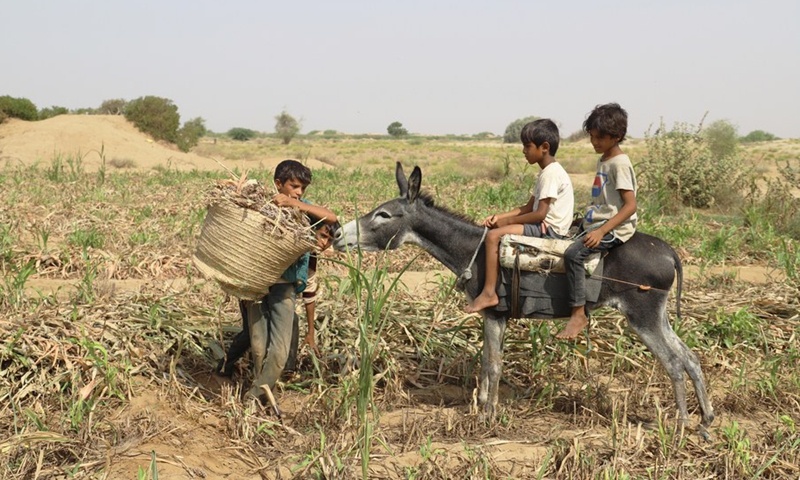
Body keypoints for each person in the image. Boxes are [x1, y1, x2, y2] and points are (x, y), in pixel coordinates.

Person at [215, 160, 338, 403]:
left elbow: (331, 217)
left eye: (303, 188)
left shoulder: (304, 210)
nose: (299, 192)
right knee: (258, 344)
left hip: (284, 286)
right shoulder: (263, 205)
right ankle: (254, 391)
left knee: (279, 350)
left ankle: (256, 394)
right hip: (257, 283)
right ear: (278, 183)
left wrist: (295, 203)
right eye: (294, 186)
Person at [465, 119, 574, 313]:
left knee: (492, 237)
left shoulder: (550, 174)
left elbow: (539, 214)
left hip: (549, 230)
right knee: (498, 228)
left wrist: (506, 222)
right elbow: (527, 207)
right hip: (544, 225)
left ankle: (489, 293)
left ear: (544, 147)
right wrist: (500, 217)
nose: (523, 150)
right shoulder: (546, 172)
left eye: (527, 146)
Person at [557, 103, 638, 340]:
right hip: (599, 221)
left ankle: (578, 313)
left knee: (573, 255)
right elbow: (605, 200)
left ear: (617, 137)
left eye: (600, 138)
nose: (594, 142)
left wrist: (602, 231)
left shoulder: (620, 163)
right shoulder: (604, 159)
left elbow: (630, 206)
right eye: (592, 137)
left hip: (616, 227)